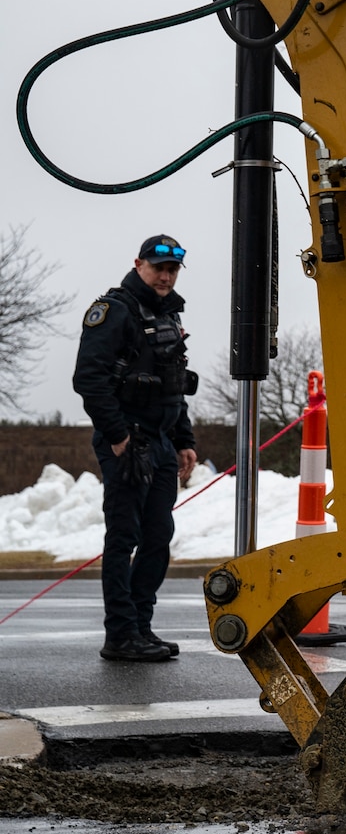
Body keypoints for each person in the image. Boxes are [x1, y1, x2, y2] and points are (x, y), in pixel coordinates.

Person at [73, 235, 200, 663]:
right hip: (127, 440)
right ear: (139, 264)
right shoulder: (114, 311)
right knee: (124, 535)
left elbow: (174, 385)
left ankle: (141, 626)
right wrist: (117, 435)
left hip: (161, 443)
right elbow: (88, 379)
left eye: (172, 269)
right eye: (158, 267)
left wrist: (184, 440)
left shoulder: (167, 315)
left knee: (158, 536)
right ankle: (121, 634)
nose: (165, 276)